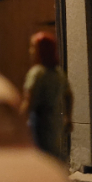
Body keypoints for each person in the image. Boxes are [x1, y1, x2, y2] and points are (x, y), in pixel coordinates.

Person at [21, 31, 73, 162]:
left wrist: (19, 119)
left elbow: (29, 100)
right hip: (55, 119)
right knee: (54, 152)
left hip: (39, 120)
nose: (31, 51)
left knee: (39, 155)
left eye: (34, 48)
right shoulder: (58, 73)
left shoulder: (36, 74)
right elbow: (69, 95)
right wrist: (68, 117)